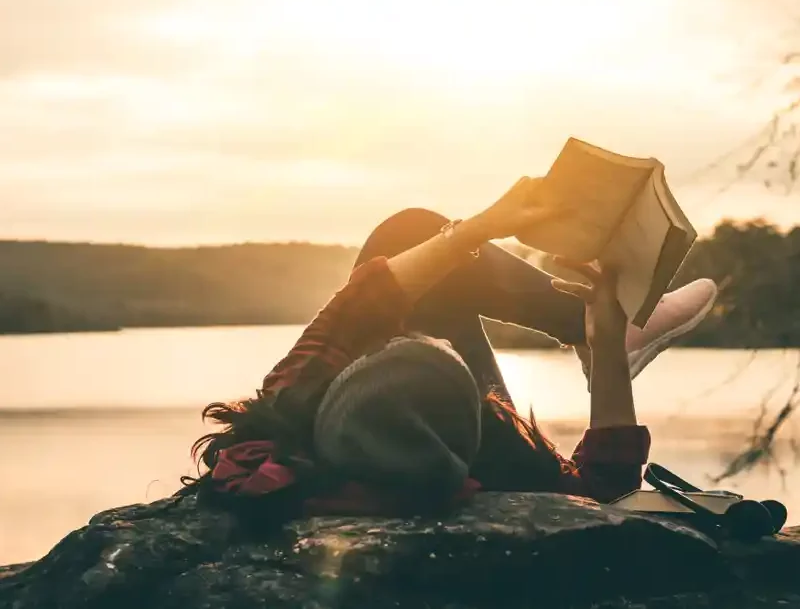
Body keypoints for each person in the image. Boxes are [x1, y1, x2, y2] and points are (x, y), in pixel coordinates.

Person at [183, 177, 717, 518]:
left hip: (402, 431)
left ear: (343, 384)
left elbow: (368, 296)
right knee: (413, 241)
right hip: (464, 442)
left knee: (409, 231)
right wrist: (605, 356)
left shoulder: (288, 406)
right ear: (477, 417)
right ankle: (607, 335)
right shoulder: (505, 460)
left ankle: (587, 326)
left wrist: (480, 229)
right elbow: (607, 491)